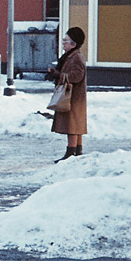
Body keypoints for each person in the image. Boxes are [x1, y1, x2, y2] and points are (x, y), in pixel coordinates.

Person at [47, 26, 88, 162]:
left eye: (66, 41)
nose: (63, 43)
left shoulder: (76, 57)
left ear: (74, 44)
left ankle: (71, 152)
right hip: (73, 95)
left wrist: (59, 75)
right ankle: (77, 149)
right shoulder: (71, 56)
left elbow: (77, 76)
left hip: (73, 96)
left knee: (72, 124)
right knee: (76, 123)